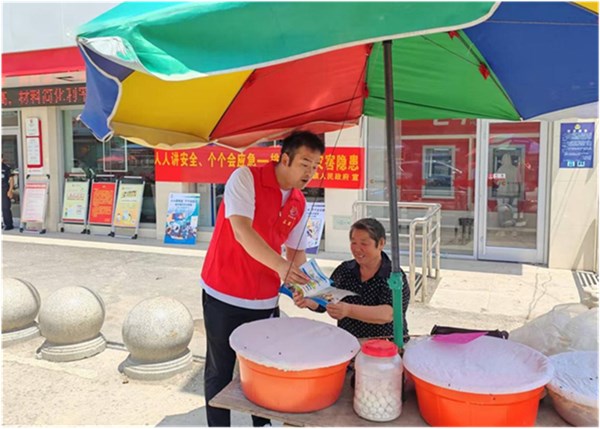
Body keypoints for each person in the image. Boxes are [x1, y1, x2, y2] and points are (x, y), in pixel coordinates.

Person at [200, 131, 325, 427]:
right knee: (220, 368)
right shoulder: (246, 178)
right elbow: (242, 231)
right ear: (285, 159)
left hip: (265, 299)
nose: (310, 172)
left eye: (315, 166)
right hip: (224, 291)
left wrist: (311, 290)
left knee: (264, 368)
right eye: (305, 164)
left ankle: (263, 424)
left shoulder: (298, 202)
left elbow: (296, 254)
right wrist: (283, 268)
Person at [293, 218, 410, 342]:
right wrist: (308, 301)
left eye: (364, 243)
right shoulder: (345, 270)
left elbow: (388, 314)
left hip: (386, 345)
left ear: (381, 243)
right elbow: (325, 300)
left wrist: (348, 310)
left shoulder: (394, 276)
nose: (357, 249)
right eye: (353, 243)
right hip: (349, 342)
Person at [1, 155, 15, 231]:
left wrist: (10, 190)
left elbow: (11, 179)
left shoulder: (6, 168)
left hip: (4, 190)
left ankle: (9, 224)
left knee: (5, 208)